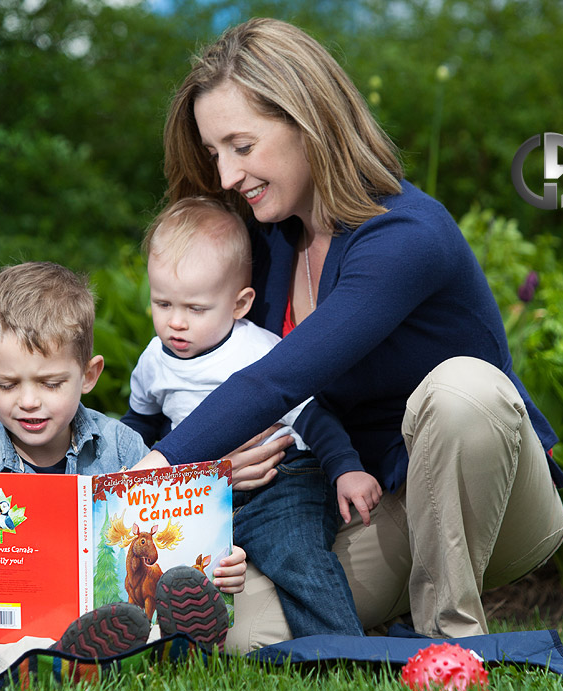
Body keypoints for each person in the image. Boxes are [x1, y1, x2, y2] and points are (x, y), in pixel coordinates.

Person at [134, 18, 563, 651]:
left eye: (242, 146)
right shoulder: (270, 239)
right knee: (236, 634)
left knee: (462, 390)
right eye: (214, 153)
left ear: (307, 121)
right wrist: (219, 467)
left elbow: (279, 378)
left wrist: (152, 473)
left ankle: (448, 642)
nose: (227, 176)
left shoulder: (405, 236)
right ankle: (384, 624)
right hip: (367, 505)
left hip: (489, 494)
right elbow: (227, 381)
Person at [0, 262, 246, 679]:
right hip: (2, 636)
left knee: (144, 627)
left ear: (88, 375)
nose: (28, 401)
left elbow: (161, 540)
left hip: (108, 620)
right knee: (17, 652)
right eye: (8, 384)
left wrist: (220, 566)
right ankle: (83, 667)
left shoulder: (123, 448)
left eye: (50, 383)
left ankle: (167, 649)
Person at [122, 196, 382, 638]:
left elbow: (314, 416)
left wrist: (346, 469)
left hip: (280, 483)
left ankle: (342, 649)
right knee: (168, 559)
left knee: (296, 554)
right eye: (163, 304)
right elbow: (140, 423)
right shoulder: (153, 360)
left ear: (240, 303)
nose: (176, 323)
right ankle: (166, 639)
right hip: (201, 492)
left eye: (195, 309)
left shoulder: (258, 351)